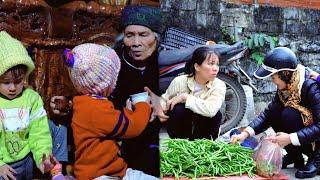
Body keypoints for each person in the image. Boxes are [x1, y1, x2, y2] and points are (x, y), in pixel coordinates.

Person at [50, 5, 163, 177]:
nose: (136, 43)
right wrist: (68, 104)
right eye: (129, 35)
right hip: (121, 144)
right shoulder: (109, 66)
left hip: (155, 136)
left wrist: (163, 101)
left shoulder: (167, 63)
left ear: (156, 37)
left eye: (143, 35)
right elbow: (89, 97)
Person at [63, 43, 158, 180]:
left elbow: (115, 124)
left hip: (115, 171)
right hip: (99, 176)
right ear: (105, 83)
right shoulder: (96, 110)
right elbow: (134, 127)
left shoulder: (85, 103)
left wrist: (128, 111)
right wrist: (143, 105)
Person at [230, 47, 320, 179]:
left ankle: (316, 158)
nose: (272, 80)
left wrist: (289, 138)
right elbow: (269, 114)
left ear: (285, 73)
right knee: (277, 113)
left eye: (273, 76)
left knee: (289, 114)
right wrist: (245, 133)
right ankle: (295, 155)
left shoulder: (310, 85)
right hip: (306, 133)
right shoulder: (287, 86)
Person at [0, 31, 54, 179]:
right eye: (6, 82)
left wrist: (42, 156)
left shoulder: (31, 99)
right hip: (3, 164)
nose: (12, 88)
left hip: (27, 160)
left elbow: (39, 132)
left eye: (18, 81)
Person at [159, 47, 226, 140]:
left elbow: (211, 110)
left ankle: (204, 147)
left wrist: (185, 97)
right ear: (197, 66)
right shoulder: (180, 81)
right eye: (211, 64)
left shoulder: (219, 85)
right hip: (182, 129)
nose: (215, 69)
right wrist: (161, 110)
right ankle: (179, 144)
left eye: (217, 65)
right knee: (178, 109)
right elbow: (164, 99)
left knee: (215, 115)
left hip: (204, 129)